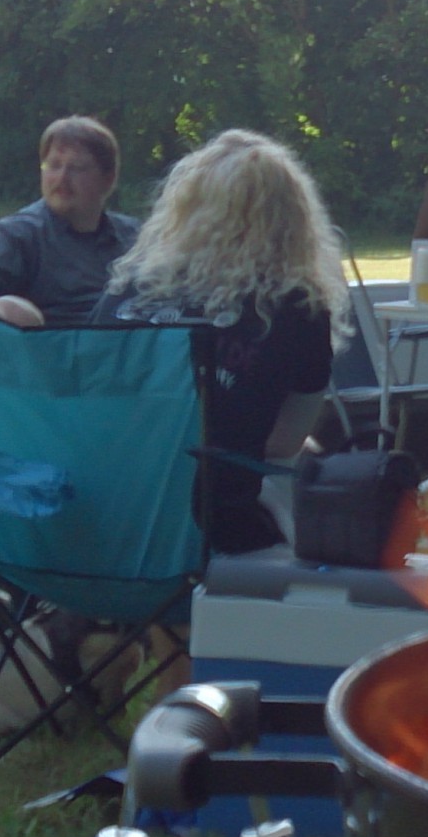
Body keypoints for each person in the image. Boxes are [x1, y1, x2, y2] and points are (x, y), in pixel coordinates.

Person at [96, 130, 338, 556]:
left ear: (184, 209)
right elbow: (283, 444)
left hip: (95, 522)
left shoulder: (128, 289)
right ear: (292, 221)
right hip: (207, 534)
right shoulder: (298, 307)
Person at [0, 115, 139, 327]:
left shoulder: (136, 237)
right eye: (54, 165)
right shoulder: (19, 234)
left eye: (77, 168)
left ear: (108, 179)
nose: (62, 178)